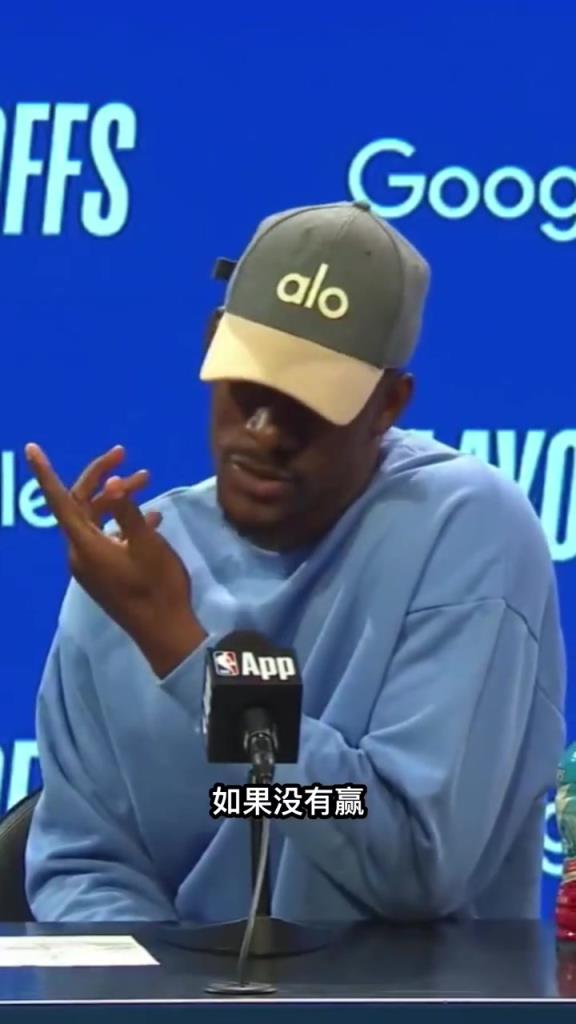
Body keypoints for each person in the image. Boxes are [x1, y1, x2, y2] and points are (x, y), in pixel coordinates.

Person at [24, 201, 565, 923]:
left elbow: (412, 862)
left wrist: (184, 653)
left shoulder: (463, 530)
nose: (266, 431)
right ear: (211, 347)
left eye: (309, 401)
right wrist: (167, 984)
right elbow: (83, 865)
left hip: (403, 985)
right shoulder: (136, 563)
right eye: (249, 387)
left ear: (389, 404)